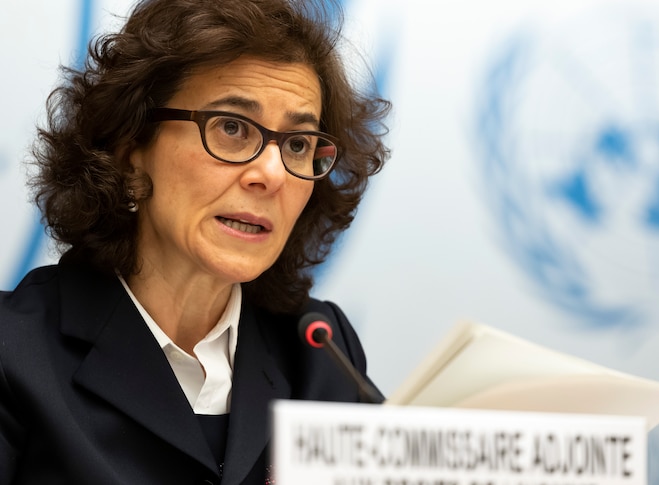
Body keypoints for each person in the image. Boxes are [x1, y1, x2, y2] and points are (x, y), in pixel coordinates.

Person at [0, 0, 389, 482]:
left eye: (297, 144)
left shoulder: (320, 350)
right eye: (231, 127)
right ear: (130, 149)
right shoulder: (14, 353)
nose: (271, 174)